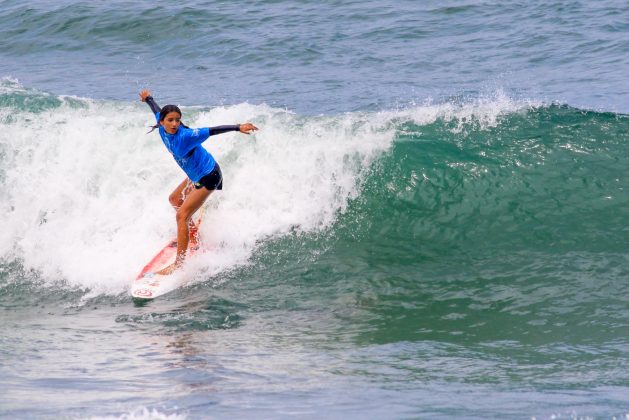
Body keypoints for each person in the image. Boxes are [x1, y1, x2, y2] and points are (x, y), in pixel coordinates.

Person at [139, 89, 258, 275]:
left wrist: (238, 127)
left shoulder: (186, 136)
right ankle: (193, 236)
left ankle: (179, 265)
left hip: (209, 175)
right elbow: (156, 108)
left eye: (178, 120)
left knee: (181, 216)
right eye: (170, 120)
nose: (175, 124)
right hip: (195, 174)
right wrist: (148, 98)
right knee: (175, 200)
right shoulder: (161, 127)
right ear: (161, 121)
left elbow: (212, 130)